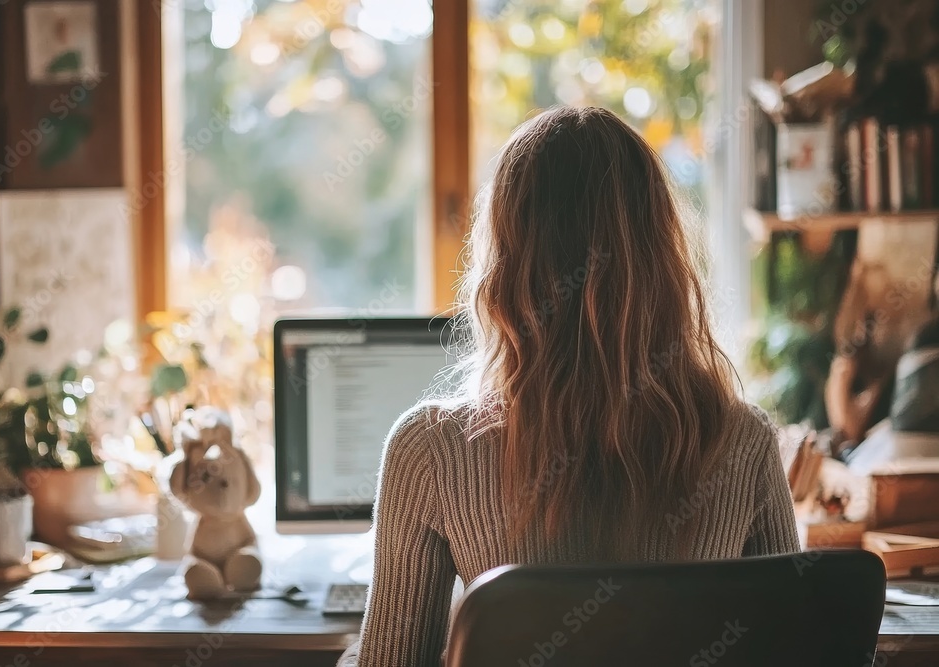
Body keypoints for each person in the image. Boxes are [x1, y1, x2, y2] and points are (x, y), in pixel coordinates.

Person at [339, 106, 799, 667]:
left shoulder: (431, 452)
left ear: (503, 268)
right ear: (662, 259)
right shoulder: (744, 442)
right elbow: (795, 648)